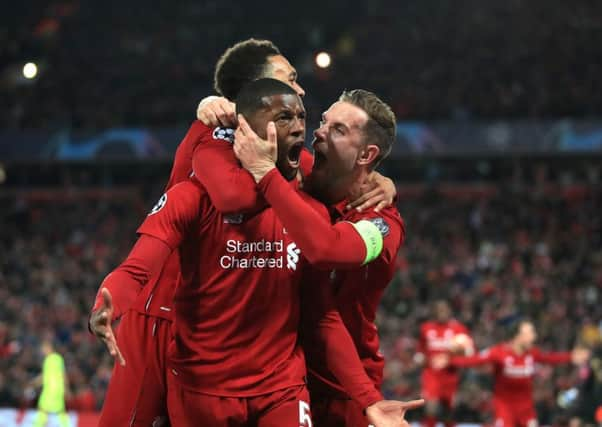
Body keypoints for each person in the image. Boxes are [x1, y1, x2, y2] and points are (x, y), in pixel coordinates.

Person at [89, 38, 395, 425]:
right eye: (289, 80)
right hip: (162, 316)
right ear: (252, 96)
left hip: (244, 354)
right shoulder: (210, 136)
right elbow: (234, 196)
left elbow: (317, 178)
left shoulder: (282, 160)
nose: (299, 90)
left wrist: (373, 179)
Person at [207, 87, 407, 426]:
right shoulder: (296, 179)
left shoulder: (381, 223)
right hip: (273, 381)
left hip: (344, 394)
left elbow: (326, 249)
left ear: (365, 155)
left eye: (338, 130)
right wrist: (210, 106)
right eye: (326, 121)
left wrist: (266, 174)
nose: (319, 130)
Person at [434, 319, 591, 427]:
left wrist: (571, 356)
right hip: (505, 408)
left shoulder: (532, 353)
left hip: (526, 409)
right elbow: (476, 360)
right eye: (530, 332)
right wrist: (450, 360)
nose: (534, 336)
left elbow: (549, 358)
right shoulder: (499, 353)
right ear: (518, 336)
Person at [416, 300, 473, 427]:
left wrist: (450, 360)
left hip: (450, 375)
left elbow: (469, 354)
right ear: (434, 312)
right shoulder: (426, 328)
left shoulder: (459, 329)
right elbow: (420, 351)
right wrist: (420, 360)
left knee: (448, 411)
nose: (442, 313)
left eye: (444, 309)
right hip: (431, 374)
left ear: (450, 311)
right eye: (439, 310)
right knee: (431, 408)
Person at [31, 339, 71, 427]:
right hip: (58, 390)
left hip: (50, 390)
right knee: (60, 411)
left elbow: (46, 376)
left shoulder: (48, 359)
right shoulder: (58, 358)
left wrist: (34, 383)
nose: (42, 350)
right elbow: (61, 374)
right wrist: (66, 389)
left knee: (43, 408)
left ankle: (38, 425)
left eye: (43, 348)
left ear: (48, 347)